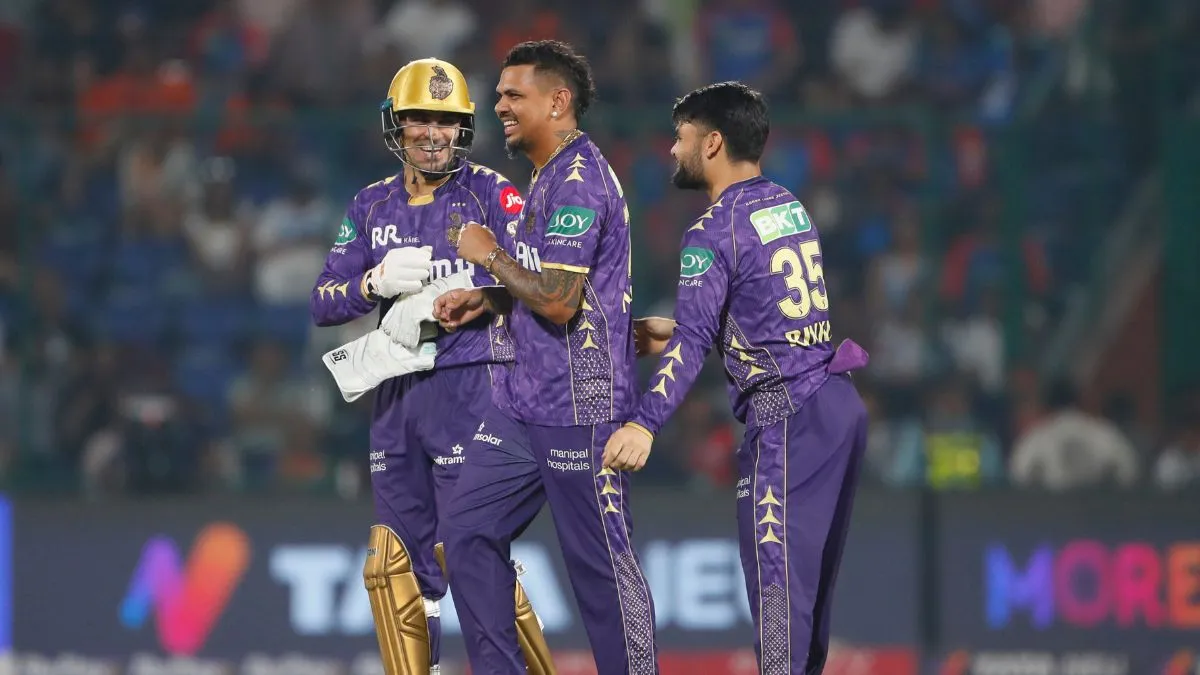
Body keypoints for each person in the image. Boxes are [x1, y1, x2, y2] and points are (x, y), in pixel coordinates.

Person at [602, 82, 870, 675]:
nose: (672, 150)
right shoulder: (787, 205)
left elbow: (698, 344)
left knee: (777, 591)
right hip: (836, 404)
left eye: (681, 137)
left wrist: (644, 423)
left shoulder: (711, 229)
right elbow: (763, 321)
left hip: (785, 417)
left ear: (713, 142)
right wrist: (681, 331)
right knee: (809, 602)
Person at [309, 57, 553, 675]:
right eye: (419, 118)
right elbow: (324, 301)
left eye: (445, 121)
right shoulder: (370, 205)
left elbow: (543, 285)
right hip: (396, 394)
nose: (432, 133)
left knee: (470, 552)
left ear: (463, 128)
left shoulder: (493, 193)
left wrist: (483, 293)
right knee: (394, 566)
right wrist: (373, 281)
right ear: (396, 125)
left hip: (475, 386)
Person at [432, 40, 659, 675]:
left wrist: (487, 255)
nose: (499, 105)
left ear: (558, 102)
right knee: (467, 533)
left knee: (602, 572)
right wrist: (491, 298)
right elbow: (551, 285)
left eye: (514, 94)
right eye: (498, 94)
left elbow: (560, 302)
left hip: (580, 409)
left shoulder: (579, 182)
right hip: (521, 403)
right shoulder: (547, 173)